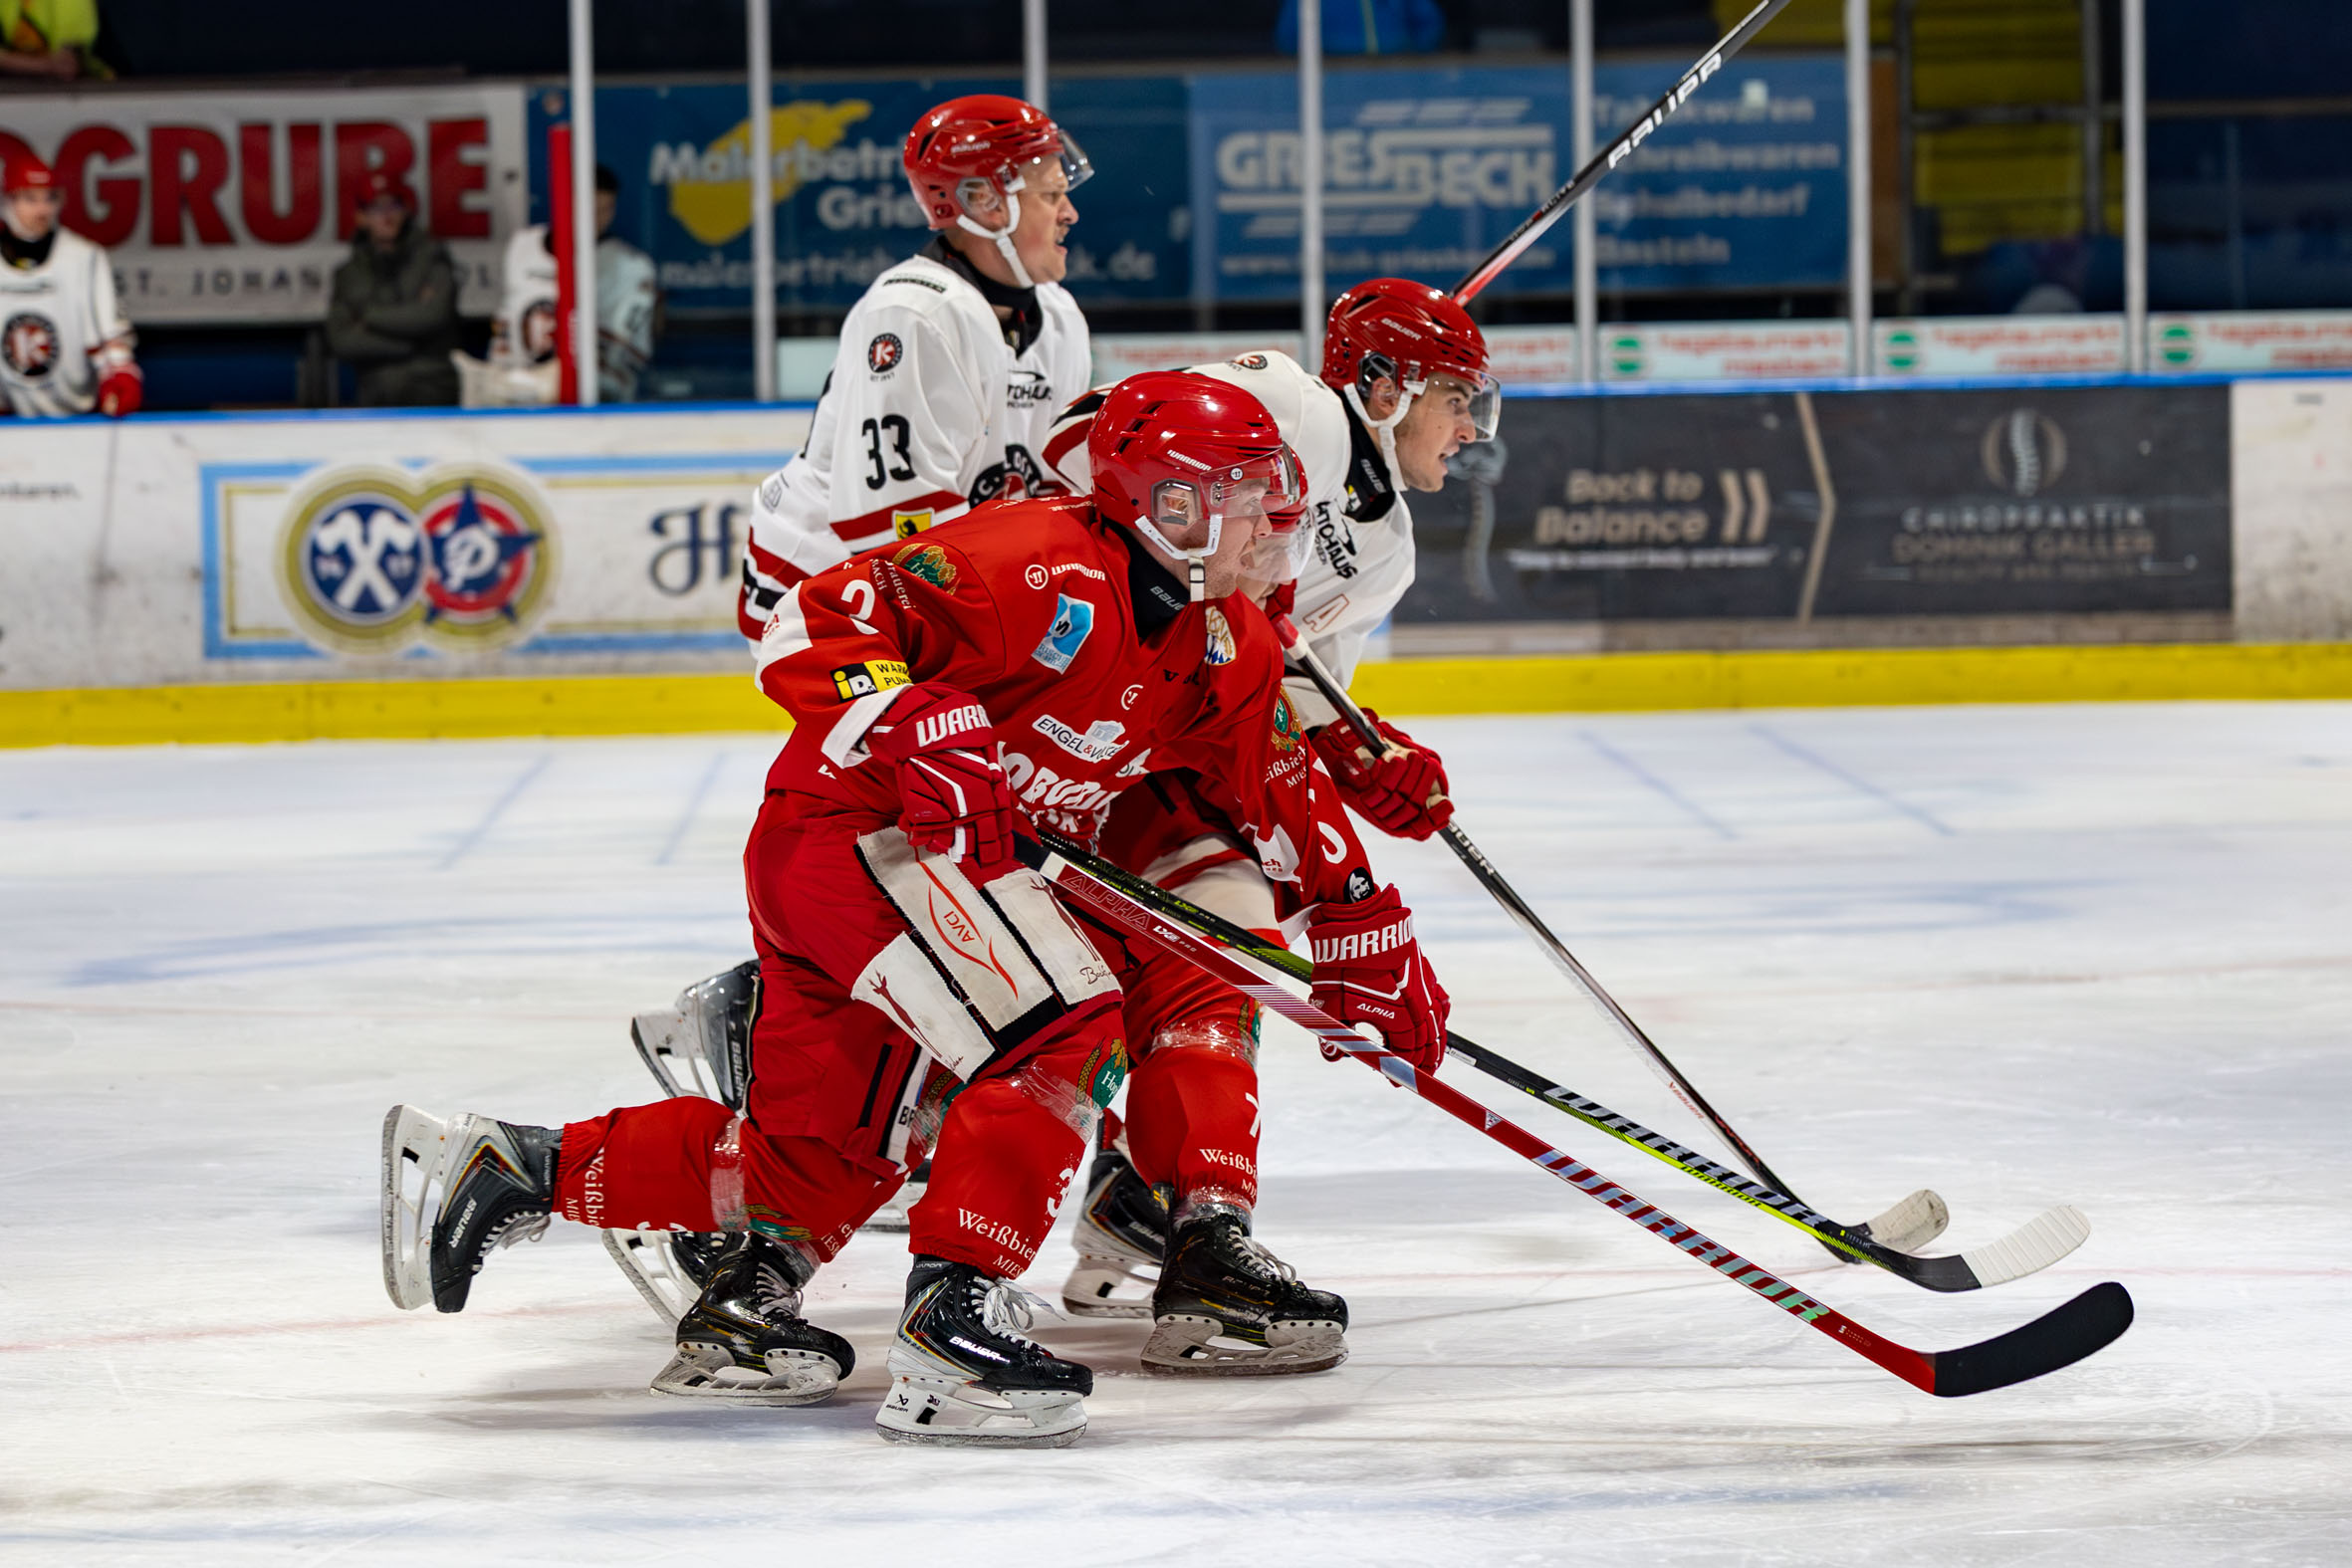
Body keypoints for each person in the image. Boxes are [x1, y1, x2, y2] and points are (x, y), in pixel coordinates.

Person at [380, 372, 1451, 1447]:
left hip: (910, 873)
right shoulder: (1034, 559)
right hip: (859, 839)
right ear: (1170, 505)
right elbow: (811, 620)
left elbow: (1278, 783)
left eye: (1275, 489)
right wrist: (912, 719)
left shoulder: (1227, 639)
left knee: (821, 1163)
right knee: (1062, 1025)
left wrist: (1362, 923)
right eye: (1248, 494)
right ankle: (954, 1325)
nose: (1277, 517)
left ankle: (516, 1172)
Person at [1037, 279, 1499, 1326]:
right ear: (1384, 385)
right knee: (1013, 1016)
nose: (1471, 429)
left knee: (1229, 937)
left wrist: (1363, 748)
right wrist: (1231, 590)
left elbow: (1283, 701)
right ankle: (772, 1060)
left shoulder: (1387, 551)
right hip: (1063, 702)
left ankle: (1163, 1200)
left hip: (1163, 747)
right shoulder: (1291, 405)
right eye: (1455, 399)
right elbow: (1080, 442)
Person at [733, 92, 1091, 621]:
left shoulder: (1060, 317)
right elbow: (899, 527)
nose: (1070, 213)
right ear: (985, 202)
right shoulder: (913, 315)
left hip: (936, 577)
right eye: (1052, 194)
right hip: (823, 594)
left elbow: (1058, 488)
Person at [480, 163, 660, 404]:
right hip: (517, 396)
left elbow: (620, 359)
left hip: (595, 403)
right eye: (589, 208)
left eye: (605, 209)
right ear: (567, 201)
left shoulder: (632, 267)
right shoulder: (523, 245)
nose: (597, 219)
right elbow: (506, 331)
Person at [0, 152, 138, 418]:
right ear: (8, 201)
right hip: (7, 422)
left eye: (49, 199)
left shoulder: (84, 257)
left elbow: (111, 337)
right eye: (30, 199)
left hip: (75, 417)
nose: (42, 210)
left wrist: (120, 374)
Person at [325, 170, 461, 407]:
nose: (386, 216)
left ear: (405, 210)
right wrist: (416, 341)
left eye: (393, 206)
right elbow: (342, 341)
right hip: (377, 388)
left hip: (433, 384)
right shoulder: (348, 274)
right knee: (386, 385)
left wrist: (367, 316)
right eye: (376, 208)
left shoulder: (433, 257)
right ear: (361, 216)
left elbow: (434, 316)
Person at [0, 0, 107, 80]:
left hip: (76, 92)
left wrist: (9, 61)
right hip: (12, 89)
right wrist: (45, 65)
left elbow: (67, 64)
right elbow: (55, 65)